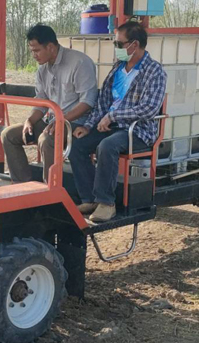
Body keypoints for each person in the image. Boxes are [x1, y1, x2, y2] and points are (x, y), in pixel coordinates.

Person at [69, 21, 166, 223]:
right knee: (78, 144)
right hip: (110, 126)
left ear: (134, 44)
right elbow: (103, 102)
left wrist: (113, 116)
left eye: (119, 44)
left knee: (107, 146)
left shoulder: (154, 71)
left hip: (137, 131)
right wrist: (88, 125)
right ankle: (89, 198)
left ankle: (107, 203)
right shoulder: (117, 69)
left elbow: (149, 109)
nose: (116, 49)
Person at [0, 24, 98, 183]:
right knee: (8, 135)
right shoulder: (42, 70)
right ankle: (22, 186)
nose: (34, 55)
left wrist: (62, 120)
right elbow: (41, 103)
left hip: (76, 123)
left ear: (51, 47)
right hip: (52, 122)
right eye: (32, 50)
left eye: (37, 50)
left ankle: (50, 191)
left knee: (46, 140)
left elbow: (87, 102)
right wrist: (29, 121)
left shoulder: (80, 62)